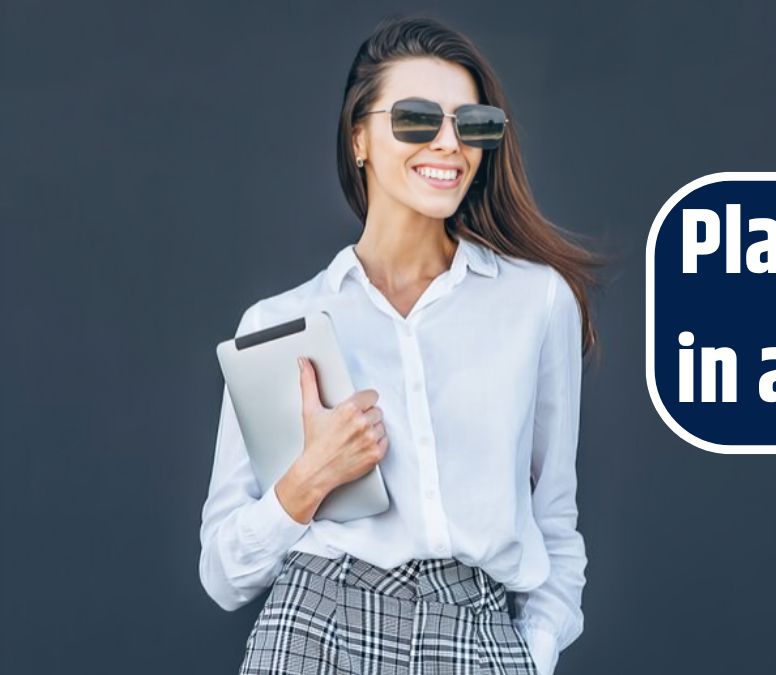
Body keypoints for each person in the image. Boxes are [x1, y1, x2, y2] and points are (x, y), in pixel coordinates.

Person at [198, 14, 604, 675]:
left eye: (471, 124)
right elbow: (222, 572)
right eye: (417, 119)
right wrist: (308, 480)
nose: (449, 144)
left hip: (475, 634)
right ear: (359, 137)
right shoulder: (282, 323)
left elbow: (555, 518)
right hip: (313, 629)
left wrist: (532, 652)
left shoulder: (537, 302)